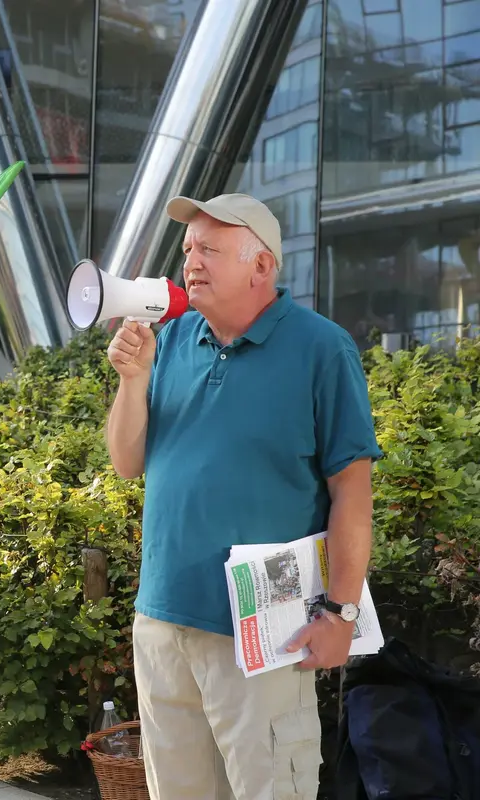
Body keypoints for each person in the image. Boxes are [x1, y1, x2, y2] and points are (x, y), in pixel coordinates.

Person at [104, 193, 381, 799]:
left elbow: (352, 497)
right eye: (187, 250)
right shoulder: (170, 340)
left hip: (266, 633)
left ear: (262, 267)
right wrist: (134, 381)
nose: (191, 262)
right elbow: (126, 463)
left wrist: (341, 613)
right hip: (161, 622)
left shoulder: (322, 349)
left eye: (210, 249)